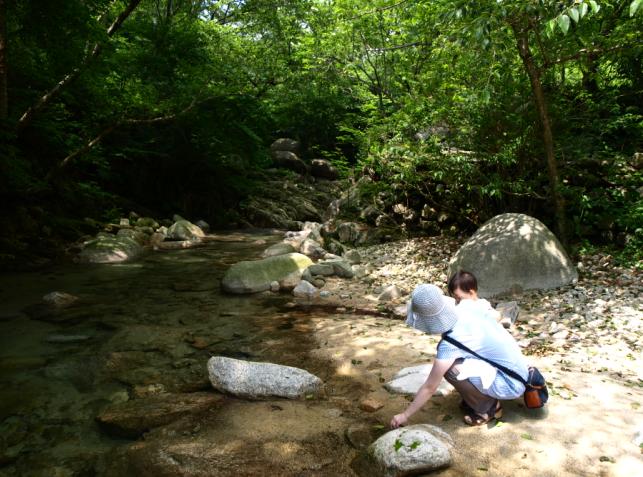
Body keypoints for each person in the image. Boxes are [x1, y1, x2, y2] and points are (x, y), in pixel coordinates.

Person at [392, 283, 529, 428]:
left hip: (511, 384)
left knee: (450, 368)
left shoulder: (450, 344)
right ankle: (478, 396)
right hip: (519, 369)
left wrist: (405, 415)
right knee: (453, 360)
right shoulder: (466, 308)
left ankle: (488, 408)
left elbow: (430, 387)